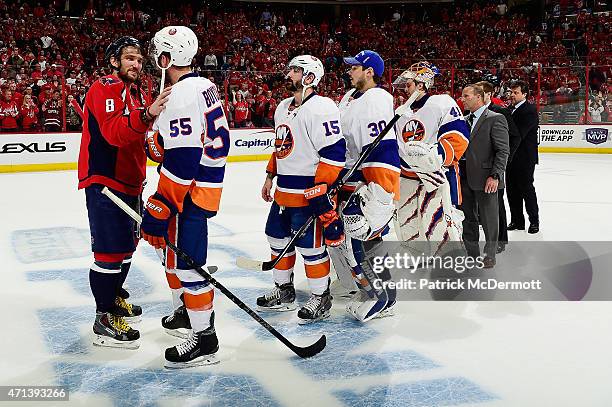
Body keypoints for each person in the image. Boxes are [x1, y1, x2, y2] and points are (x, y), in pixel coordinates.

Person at [143, 25, 229, 368]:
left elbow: (184, 156)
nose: (154, 59)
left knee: (190, 269)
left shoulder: (181, 94)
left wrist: (163, 202)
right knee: (178, 262)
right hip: (201, 190)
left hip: (187, 195)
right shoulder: (204, 86)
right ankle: (188, 317)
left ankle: (204, 339)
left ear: (168, 57)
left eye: (158, 53)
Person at [78, 36, 171, 350]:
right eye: (129, 58)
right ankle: (103, 318)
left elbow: (138, 138)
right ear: (114, 61)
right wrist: (146, 115)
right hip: (105, 184)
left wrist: (156, 147)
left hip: (131, 186)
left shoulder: (138, 92)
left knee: (127, 248)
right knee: (108, 253)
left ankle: (114, 298)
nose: (136, 64)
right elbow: (114, 133)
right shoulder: (105, 86)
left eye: (140, 59)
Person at [257, 55, 346, 325]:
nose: (289, 74)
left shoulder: (322, 107)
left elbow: (334, 151)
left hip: (308, 193)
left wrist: (321, 189)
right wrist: (269, 176)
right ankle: (284, 291)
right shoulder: (283, 107)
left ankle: (321, 296)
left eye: (295, 71)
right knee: (276, 240)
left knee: (311, 248)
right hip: (283, 191)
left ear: (309, 77)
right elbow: (280, 146)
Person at [334, 50, 400, 322]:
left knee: (365, 236)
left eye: (354, 67)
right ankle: (366, 287)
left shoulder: (378, 99)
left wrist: (378, 189)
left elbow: (382, 148)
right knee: (348, 240)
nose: (349, 71)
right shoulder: (348, 98)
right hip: (347, 176)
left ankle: (383, 295)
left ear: (369, 71)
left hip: (367, 179)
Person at [392, 61, 469, 256]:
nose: (404, 90)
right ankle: (419, 263)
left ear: (421, 85)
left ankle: (451, 268)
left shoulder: (442, 102)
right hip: (407, 178)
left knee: (441, 226)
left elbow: (458, 137)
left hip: (435, 177)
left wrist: (434, 157)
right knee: (408, 224)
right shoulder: (400, 113)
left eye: (408, 85)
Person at [460, 85, 509, 268]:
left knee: (489, 218)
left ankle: (490, 254)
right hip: (464, 177)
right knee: (468, 218)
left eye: (466, 96)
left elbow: (503, 151)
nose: (463, 99)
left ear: (479, 97)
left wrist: (495, 175)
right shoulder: (463, 121)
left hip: (487, 178)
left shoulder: (496, 118)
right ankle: (472, 254)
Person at [476, 80, 520, 253]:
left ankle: (501, 239)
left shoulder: (500, 111)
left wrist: (503, 162)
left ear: (488, 95)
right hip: (478, 167)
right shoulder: (472, 112)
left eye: (481, 94)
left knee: (497, 203)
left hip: (495, 168)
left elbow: (515, 137)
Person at [506, 80, 540, 234]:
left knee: (526, 189)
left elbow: (518, 134)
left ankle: (534, 222)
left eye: (516, 92)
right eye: (511, 92)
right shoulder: (510, 110)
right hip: (510, 157)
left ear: (524, 94)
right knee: (512, 191)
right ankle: (517, 221)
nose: (512, 95)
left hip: (525, 158)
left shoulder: (529, 110)